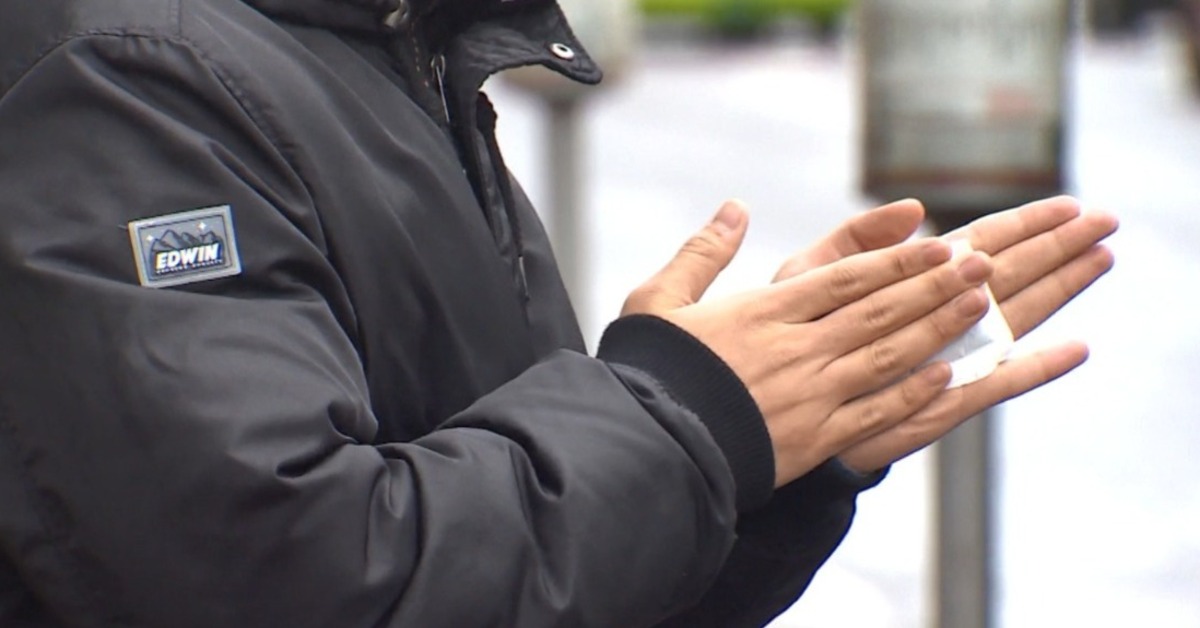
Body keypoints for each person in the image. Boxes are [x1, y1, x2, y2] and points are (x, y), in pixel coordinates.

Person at [0, 0, 1117, 626]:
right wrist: (681, 417)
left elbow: (533, 591)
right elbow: (282, 581)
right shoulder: (122, 74)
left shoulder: (385, 62)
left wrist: (763, 462)